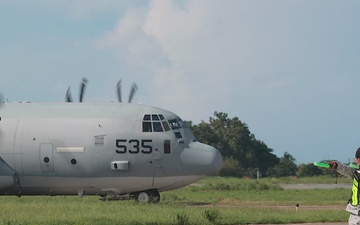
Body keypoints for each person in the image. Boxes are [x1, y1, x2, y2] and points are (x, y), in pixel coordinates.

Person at [329, 147, 360, 225]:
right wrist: (337, 166)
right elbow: (346, 170)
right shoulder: (356, 172)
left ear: (358, 159)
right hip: (356, 213)